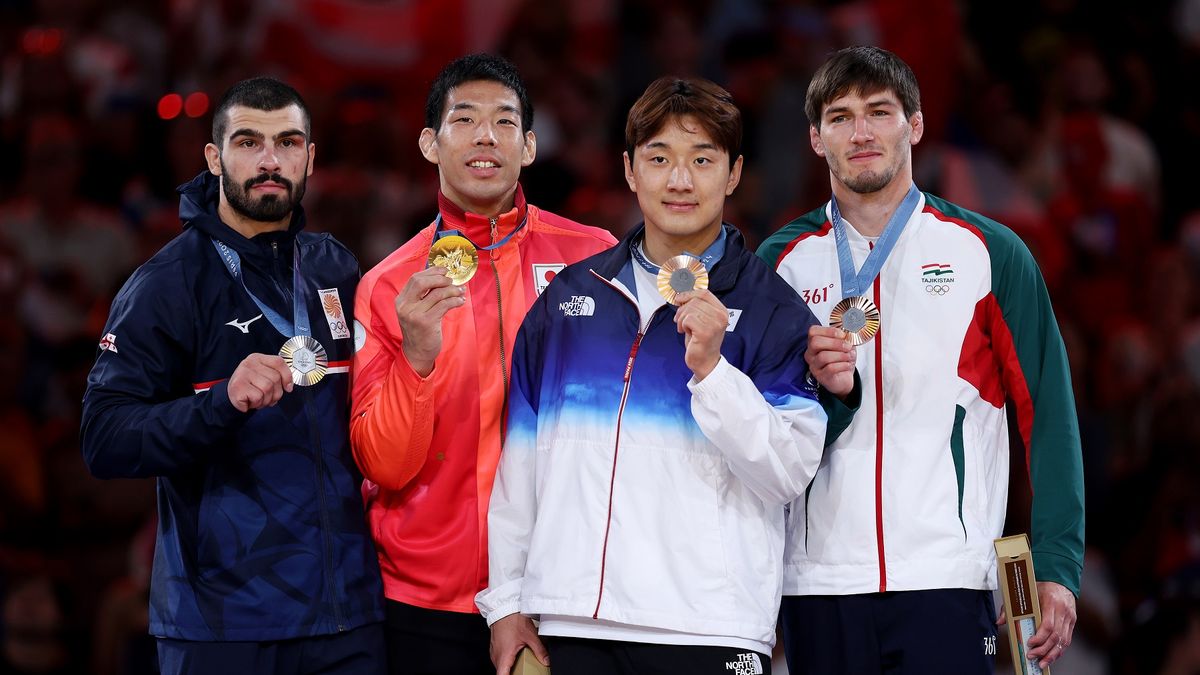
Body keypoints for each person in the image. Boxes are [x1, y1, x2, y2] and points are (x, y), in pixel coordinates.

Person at [477, 76, 832, 675]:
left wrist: (714, 372)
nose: (680, 181)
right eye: (659, 158)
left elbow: (788, 475)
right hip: (573, 622)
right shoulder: (570, 299)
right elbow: (521, 468)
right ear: (629, 169)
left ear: (735, 172)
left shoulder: (775, 310)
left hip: (709, 630)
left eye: (702, 159)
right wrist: (507, 603)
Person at [757, 46, 1084, 673]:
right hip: (815, 585)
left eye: (879, 112)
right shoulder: (781, 262)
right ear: (815, 138)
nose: (861, 132)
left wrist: (1057, 566)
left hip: (949, 578)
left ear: (916, 125)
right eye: (840, 116)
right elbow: (757, 431)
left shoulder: (988, 252)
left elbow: (1049, 415)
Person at [81, 77, 385, 675]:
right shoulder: (167, 284)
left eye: (288, 143)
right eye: (248, 142)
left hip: (348, 617)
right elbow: (105, 438)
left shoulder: (337, 266)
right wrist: (220, 402)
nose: (270, 161)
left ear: (310, 157)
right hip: (223, 626)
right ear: (214, 158)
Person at [349, 54, 615, 675]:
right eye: (464, 120)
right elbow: (384, 465)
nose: (485, 136)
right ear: (428, 144)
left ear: (529, 146)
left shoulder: (596, 259)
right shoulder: (389, 285)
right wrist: (415, 359)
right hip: (429, 595)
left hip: (564, 586)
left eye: (504, 121)